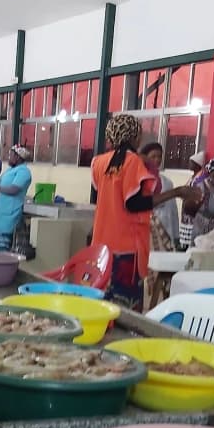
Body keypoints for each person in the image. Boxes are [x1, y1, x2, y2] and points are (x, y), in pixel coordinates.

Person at [89, 115, 171, 309]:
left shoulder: (99, 162)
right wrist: (176, 193)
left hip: (102, 244)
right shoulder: (133, 161)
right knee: (125, 305)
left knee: (103, 298)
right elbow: (133, 204)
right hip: (127, 247)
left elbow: (99, 197)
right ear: (135, 137)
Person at [0, 145, 33, 251]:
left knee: (0, 255)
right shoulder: (10, 170)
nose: (9, 158)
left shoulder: (23, 172)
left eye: (11, 155)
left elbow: (14, 189)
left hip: (7, 220)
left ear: (18, 157)